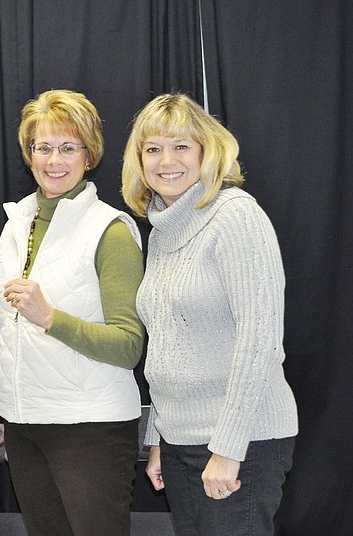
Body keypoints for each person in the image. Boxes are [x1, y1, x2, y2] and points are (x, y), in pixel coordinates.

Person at [121, 93, 299, 536]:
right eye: (153, 148)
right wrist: (160, 438)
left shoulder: (235, 216)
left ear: (206, 151)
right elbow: (168, 343)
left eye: (181, 146)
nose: (167, 160)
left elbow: (259, 340)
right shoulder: (163, 228)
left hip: (240, 439)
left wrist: (229, 447)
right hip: (181, 442)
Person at [0, 89, 145, 536]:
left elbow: (128, 345)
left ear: (89, 154)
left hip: (90, 427)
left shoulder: (110, 230)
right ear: (29, 153)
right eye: (43, 147)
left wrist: (50, 318)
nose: (53, 160)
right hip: (23, 424)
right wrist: (7, 409)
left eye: (68, 147)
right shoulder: (15, 223)